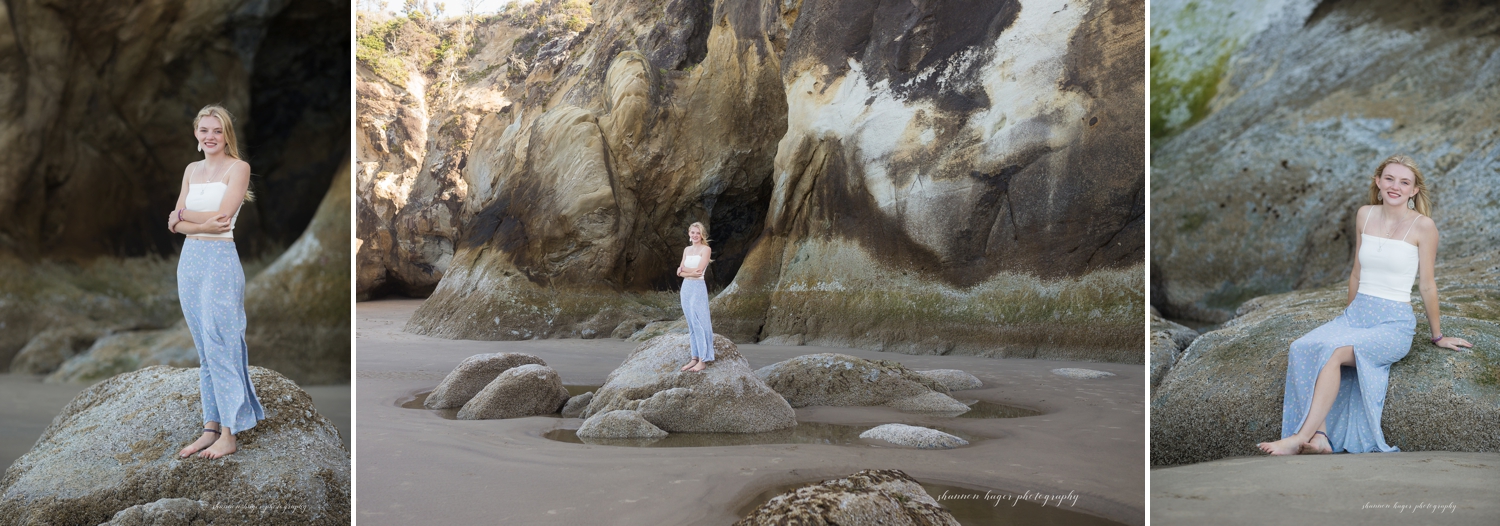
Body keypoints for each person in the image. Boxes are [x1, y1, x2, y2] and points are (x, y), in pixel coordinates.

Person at [1257, 154, 1473, 456]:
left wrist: (1437, 336)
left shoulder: (1424, 227)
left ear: (1414, 190)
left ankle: (1299, 438)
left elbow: (1427, 284)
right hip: (1356, 316)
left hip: (1392, 324)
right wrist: (1346, 320)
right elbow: (1357, 272)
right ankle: (1320, 437)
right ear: (1378, 182)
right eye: (1389, 179)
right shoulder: (1365, 215)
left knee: (1333, 354)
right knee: (1301, 347)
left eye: (1404, 182)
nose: (1395, 186)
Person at [167, 104, 265, 459]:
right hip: (189, 262)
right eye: (204, 130)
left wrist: (185, 217)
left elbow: (222, 219)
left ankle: (230, 433)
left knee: (222, 342)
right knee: (205, 350)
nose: (210, 136)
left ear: (227, 136)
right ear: (196, 133)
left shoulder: (239, 168)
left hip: (220, 262)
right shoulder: (191, 169)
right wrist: (194, 222)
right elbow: (172, 223)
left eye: (217, 131)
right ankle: (210, 427)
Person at [677, 222, 715, 373]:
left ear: (702, 235)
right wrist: (687, 272)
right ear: (689, 234)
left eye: (697, 233)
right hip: (686, 288)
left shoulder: (706, 249)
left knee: (700, 322)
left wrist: (685, 270)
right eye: (692, 233)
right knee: (691, 323)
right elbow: (678, 273)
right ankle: (694, 357)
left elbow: (699, 271)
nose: (695, 235)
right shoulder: (687, 249)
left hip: (698, 288)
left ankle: (702, 360)